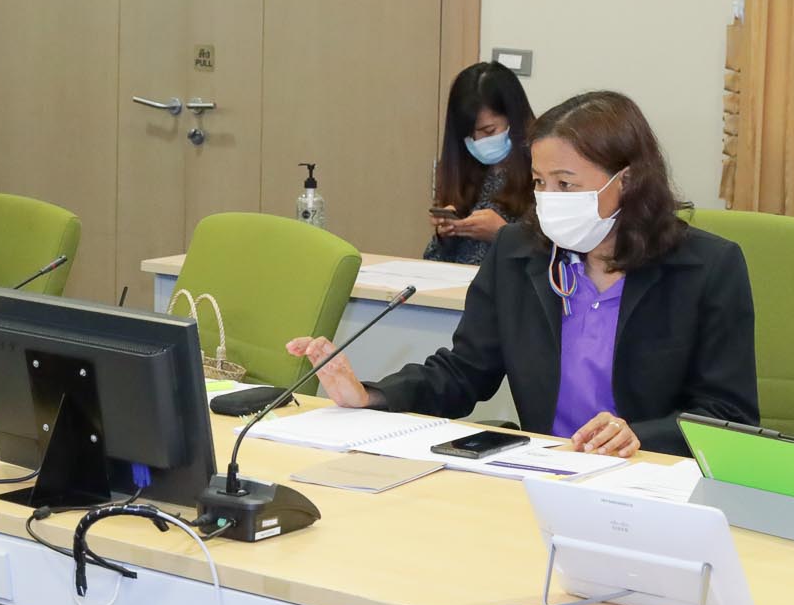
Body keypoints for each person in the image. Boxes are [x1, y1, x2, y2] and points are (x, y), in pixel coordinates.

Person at [288, 91, 757, 456]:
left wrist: (640, 436)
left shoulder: (706, 268)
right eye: (539, 182)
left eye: (566, 184)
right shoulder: (519, 253)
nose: (548, 198)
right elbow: (464, 372)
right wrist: (370, 397)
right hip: (543, 468)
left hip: (651, 480)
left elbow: (729, 414)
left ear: (627, 182)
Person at [426, 62, 535, 267]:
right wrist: (446, 235)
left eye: (488, 131)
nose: (478, 142)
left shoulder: (542, 176)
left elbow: (554, 264)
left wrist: (503, 235)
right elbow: (432, 260)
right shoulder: (464, 172)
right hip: (455, 284)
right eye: (469, 135)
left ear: (514, 118)